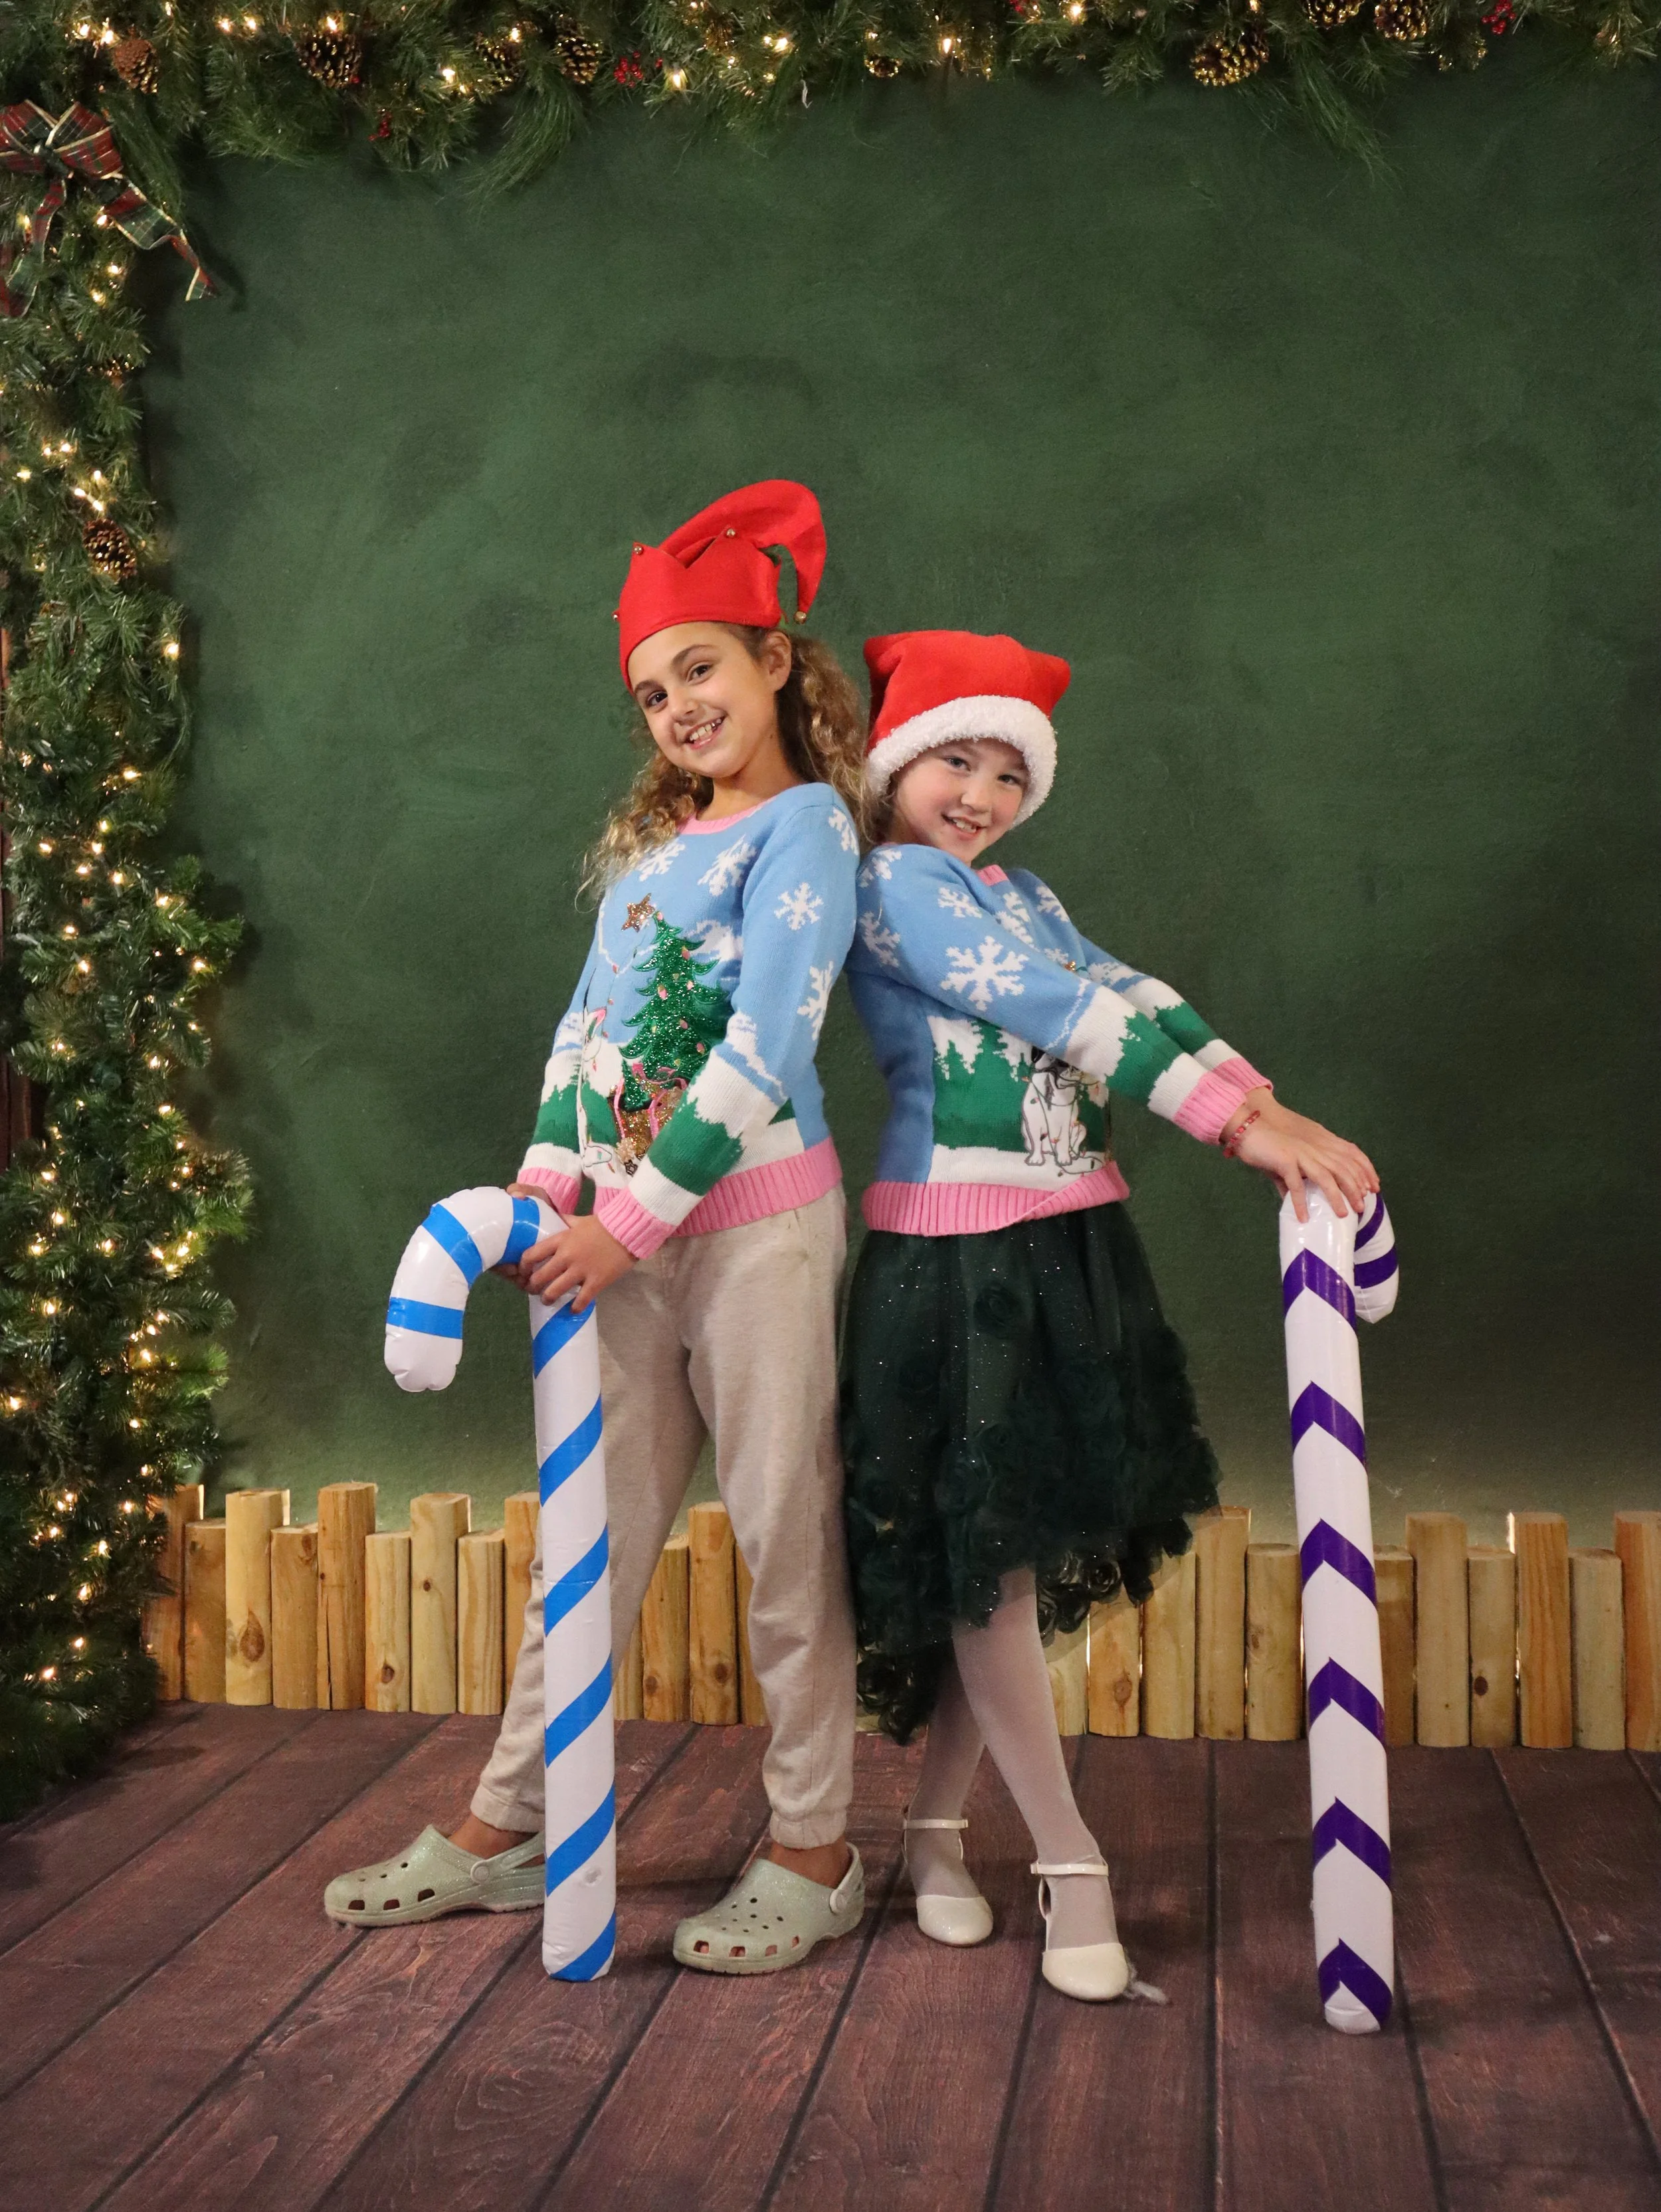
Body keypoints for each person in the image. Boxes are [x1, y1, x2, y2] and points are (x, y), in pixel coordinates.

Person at [327, 483, 871, 1976]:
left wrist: (626, 1222)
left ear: (773, 659)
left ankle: (816, 1848)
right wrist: (533, 1198)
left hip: (752, 1232)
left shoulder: (810, 827)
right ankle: (515, 1822)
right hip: (607, 1247)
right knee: (588, 1545)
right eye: (649, 687)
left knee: (785, 1534)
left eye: (699, 665)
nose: (676, 703)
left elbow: (767, 1043)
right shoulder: (647, 859)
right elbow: (584, 1036)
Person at [838, 629, 1377, 2000]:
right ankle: (1067, 1862)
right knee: (988, 1561)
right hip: (952, 1263)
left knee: (1000, 1560)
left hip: (1064, 1234)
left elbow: (1124, 989)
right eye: (954, 758)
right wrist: (1231, 1131)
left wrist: (1259, 1097)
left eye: (1008, 773)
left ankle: (930, 1836)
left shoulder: (1019, 887)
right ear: (899, 760)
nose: (979, 793)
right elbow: (1045, 1010)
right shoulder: (892, 888)